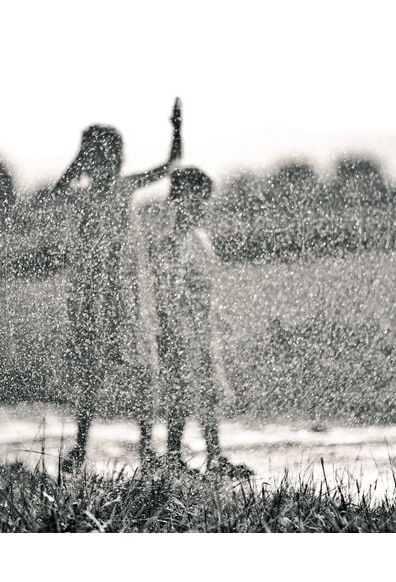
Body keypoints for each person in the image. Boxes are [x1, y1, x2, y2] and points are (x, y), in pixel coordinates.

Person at [35, 99, 182, 472]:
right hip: (90, 296)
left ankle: (146, 448)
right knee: (91, 372)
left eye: (106, 156)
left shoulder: (122, 188)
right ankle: (82, 449)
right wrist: (78, 158)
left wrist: (176, 128)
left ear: (116, 159)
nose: (102, 164)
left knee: (138, 371)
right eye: (94, 157)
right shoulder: (83, 196)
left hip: (125, 296)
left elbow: (170, 165)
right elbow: (54, 193)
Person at [152, 167, 252, 477]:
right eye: (192, 200)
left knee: (202, 393)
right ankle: (187, 458)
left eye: (202, 201)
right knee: (183, 394)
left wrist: (215, 317)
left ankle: (203, 456)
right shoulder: (171, 241)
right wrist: (178, 329)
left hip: (199, 328)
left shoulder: (199, 237)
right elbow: (167, 291)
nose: (198, 207)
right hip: (180, 330)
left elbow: (201, 286)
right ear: (176, 201)